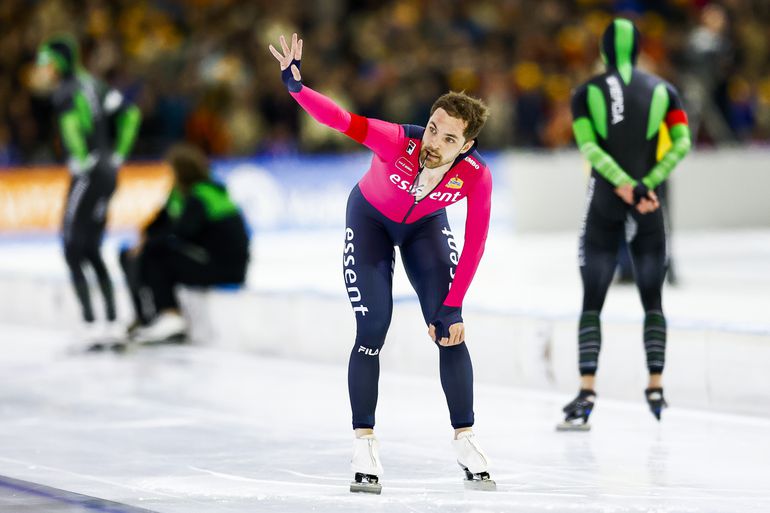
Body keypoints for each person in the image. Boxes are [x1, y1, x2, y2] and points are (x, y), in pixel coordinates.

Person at [270, 34, 495, 493]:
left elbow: (475, 243)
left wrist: (453, 306)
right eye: (433, 127)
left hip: (425, 231)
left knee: (448, 329)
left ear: (467, 145)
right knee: (373, 326)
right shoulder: (399, 142)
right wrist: (297, 88)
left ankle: (465, 438)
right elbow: (342, 120)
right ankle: (364, 442)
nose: (434, 141)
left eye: (449, 137)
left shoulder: (477, 176)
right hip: (370, 221)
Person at [559, 19, 692, 431]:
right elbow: (683, 143)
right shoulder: (664, 90)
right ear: (638, 50)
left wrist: (620, 184)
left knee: (592, 300)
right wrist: (645, 185)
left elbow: (588, 146)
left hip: (605, 200)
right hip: (648, 202)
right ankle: (655, 386)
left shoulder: (586, 92)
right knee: (653, 298)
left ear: (602, 50)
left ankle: (586, 391)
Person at [36, 34, 141, 341]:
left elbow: (70, 128)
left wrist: (81, 160)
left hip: (87, 174)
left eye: (48, 64)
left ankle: (90, 322)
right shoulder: (94, 84)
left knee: (71, 246)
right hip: (107, 171)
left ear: (59, 62)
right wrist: (118, 153)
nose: (45, 71)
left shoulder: (66, 91)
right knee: (91, 247)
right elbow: (131, 114)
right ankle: (109, 320)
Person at [121, 143, 250, 343]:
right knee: (131, 253)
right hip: (205, 260)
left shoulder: (202, 195)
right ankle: (144, 317)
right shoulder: (179, 195)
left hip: (225, 267)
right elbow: (159, 223)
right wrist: (144, 238)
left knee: (156, 254)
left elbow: (183, 233)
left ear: (182, 171)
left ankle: (171, 316)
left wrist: (148, 243)